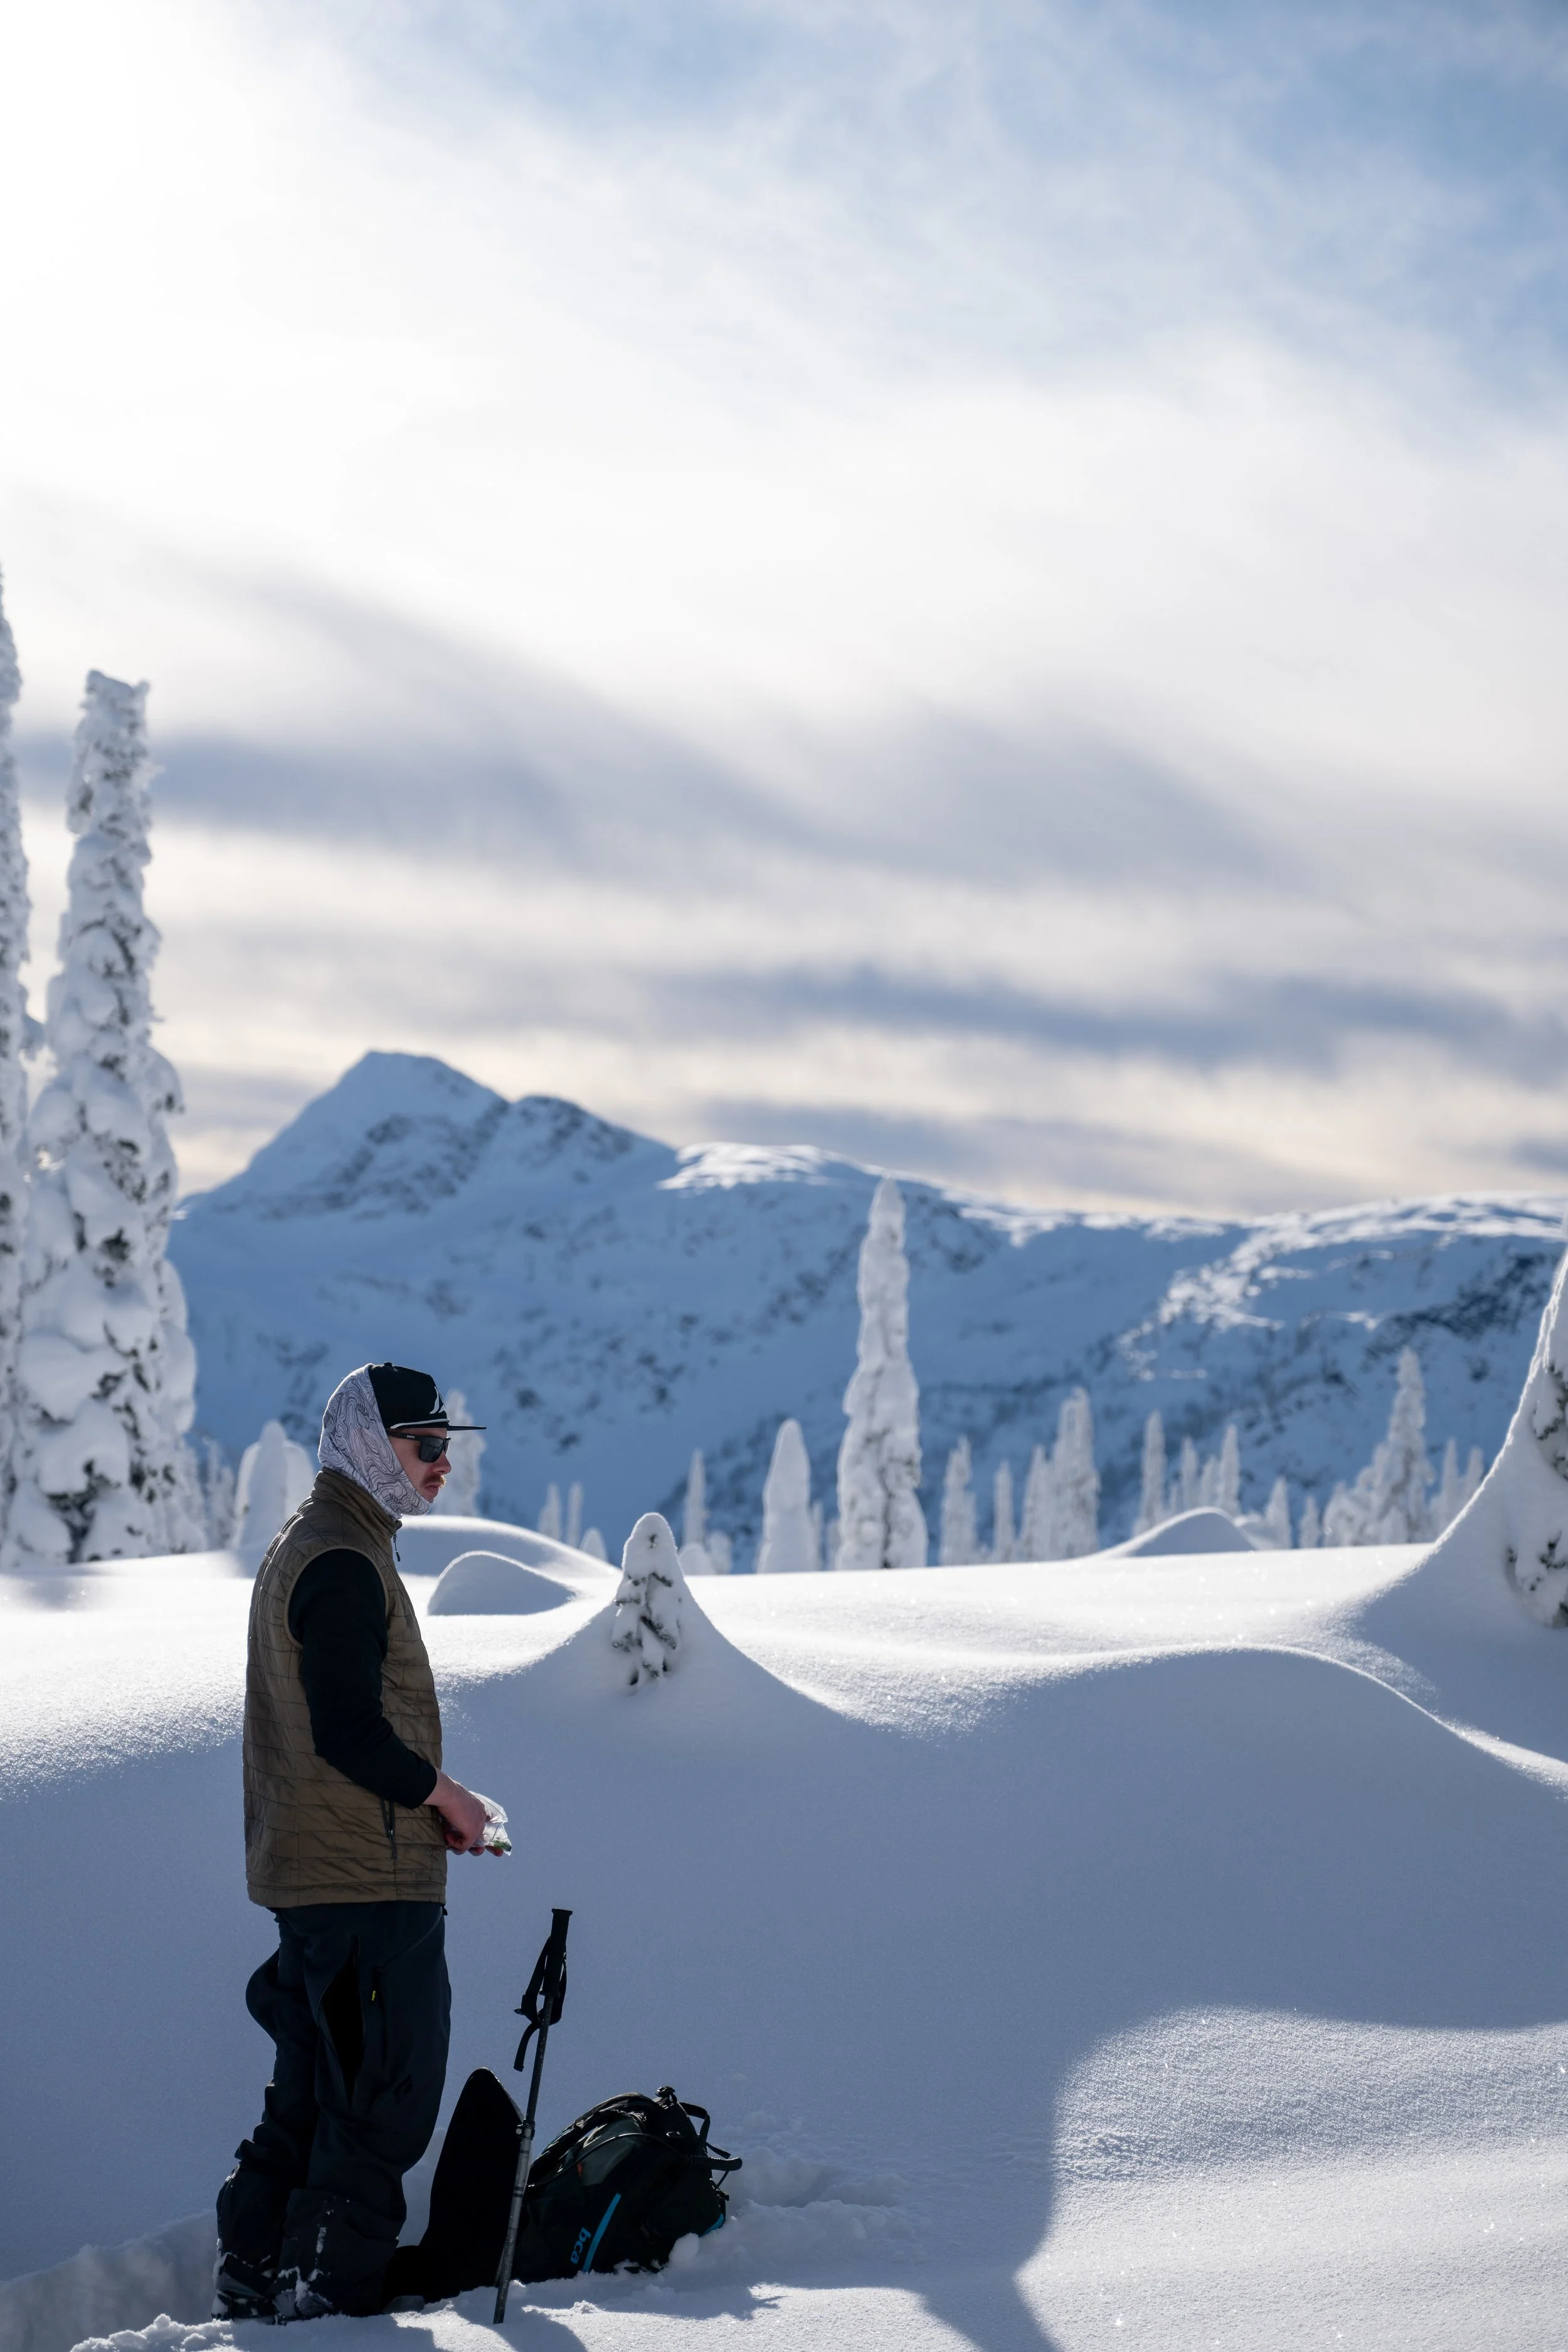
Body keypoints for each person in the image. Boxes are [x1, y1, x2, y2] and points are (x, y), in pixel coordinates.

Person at [214, 1362, 502, 2323]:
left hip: (323, 1874)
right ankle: (325, 2302)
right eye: (425, 1446)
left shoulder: (327, 1538)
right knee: (380, 2096)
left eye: (448, 1446)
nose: (442, 1465)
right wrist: (445, 1795)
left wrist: (429, 1806)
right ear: (375, 1445)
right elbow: (345, 1726)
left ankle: (256, 2268)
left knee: (313, 2089)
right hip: (364, 1882)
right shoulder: (341, 1555)